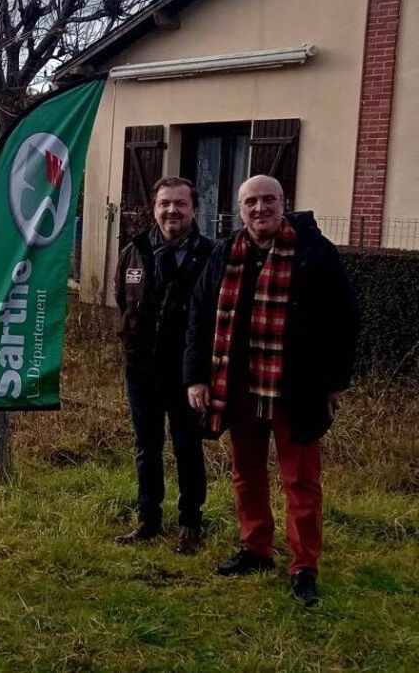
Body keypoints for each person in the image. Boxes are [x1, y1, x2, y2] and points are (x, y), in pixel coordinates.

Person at [185, 174, 359, 606]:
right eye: (251, 202)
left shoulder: (314, 252)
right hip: (239, 387)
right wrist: (196, 376)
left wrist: (335, 382)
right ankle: (255, 548)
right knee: (246, 472)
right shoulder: (226, 252)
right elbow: (200, 316)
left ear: (284, 203)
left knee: (300, 480)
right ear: (239, 209)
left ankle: (304, 566)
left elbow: (345, 319)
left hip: (296, 388)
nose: (259, 209)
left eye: (268, 200)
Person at [113, 176, 214, 555]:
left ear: (194, 209)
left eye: (180, 204)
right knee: (146, 445)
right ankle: (148, 519)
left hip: (188, 373)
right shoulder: (134, 251)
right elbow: (122, 299)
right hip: (141, 368)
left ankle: (190, 523)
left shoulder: (209, 254)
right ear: (154, 208)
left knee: (188, 446)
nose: (172, 210)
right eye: (165, 204)